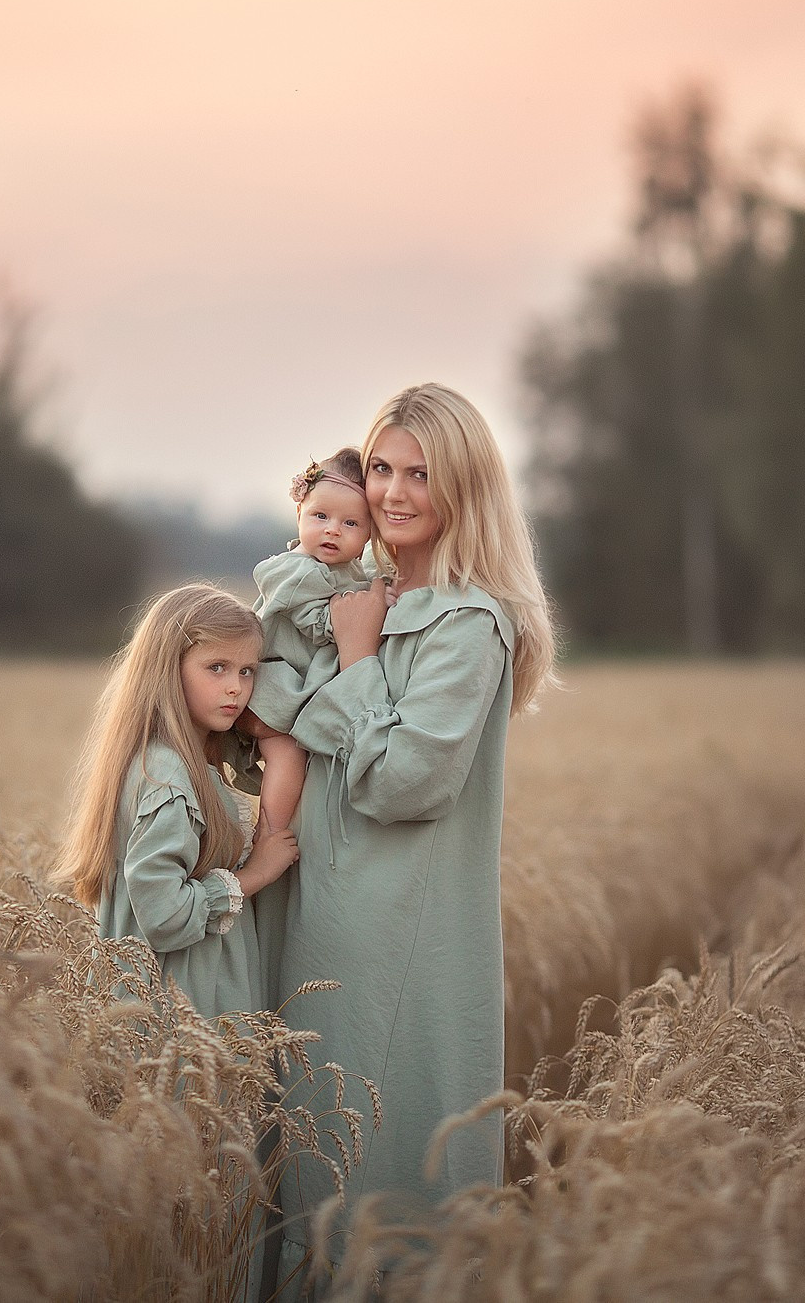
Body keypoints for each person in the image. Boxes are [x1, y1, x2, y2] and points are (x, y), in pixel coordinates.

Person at [272, 384, 557, 1288]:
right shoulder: (366, 594)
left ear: (464, 487)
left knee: (381, 1179)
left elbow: (404, 783)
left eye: (419, 474)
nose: (391, 492)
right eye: (382, 467)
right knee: (315, 1169)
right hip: (324, 921)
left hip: (395, 940)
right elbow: (291, 726)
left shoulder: (469, 623)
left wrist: (357, 661)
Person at [55, 583, 301, 1020]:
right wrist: (253, 875)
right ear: (168, 670)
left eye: (247, 671)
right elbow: (164, 913)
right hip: (182, 1005)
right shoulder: (168, 778)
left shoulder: (166, 762)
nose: (236, 689)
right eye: (217, 668)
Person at [239, 448, 375, 1008]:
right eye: (320, 516)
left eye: (350, 523)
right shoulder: (293, 570)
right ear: (299, 514)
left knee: (299, 754)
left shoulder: (350, 574)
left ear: (369, 535)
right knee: (288, 755)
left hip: (302, 683)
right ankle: (269, 833)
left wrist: (373, 593)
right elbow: (326, 620)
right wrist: (370, 607)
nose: (331, 531)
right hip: (276, 683)